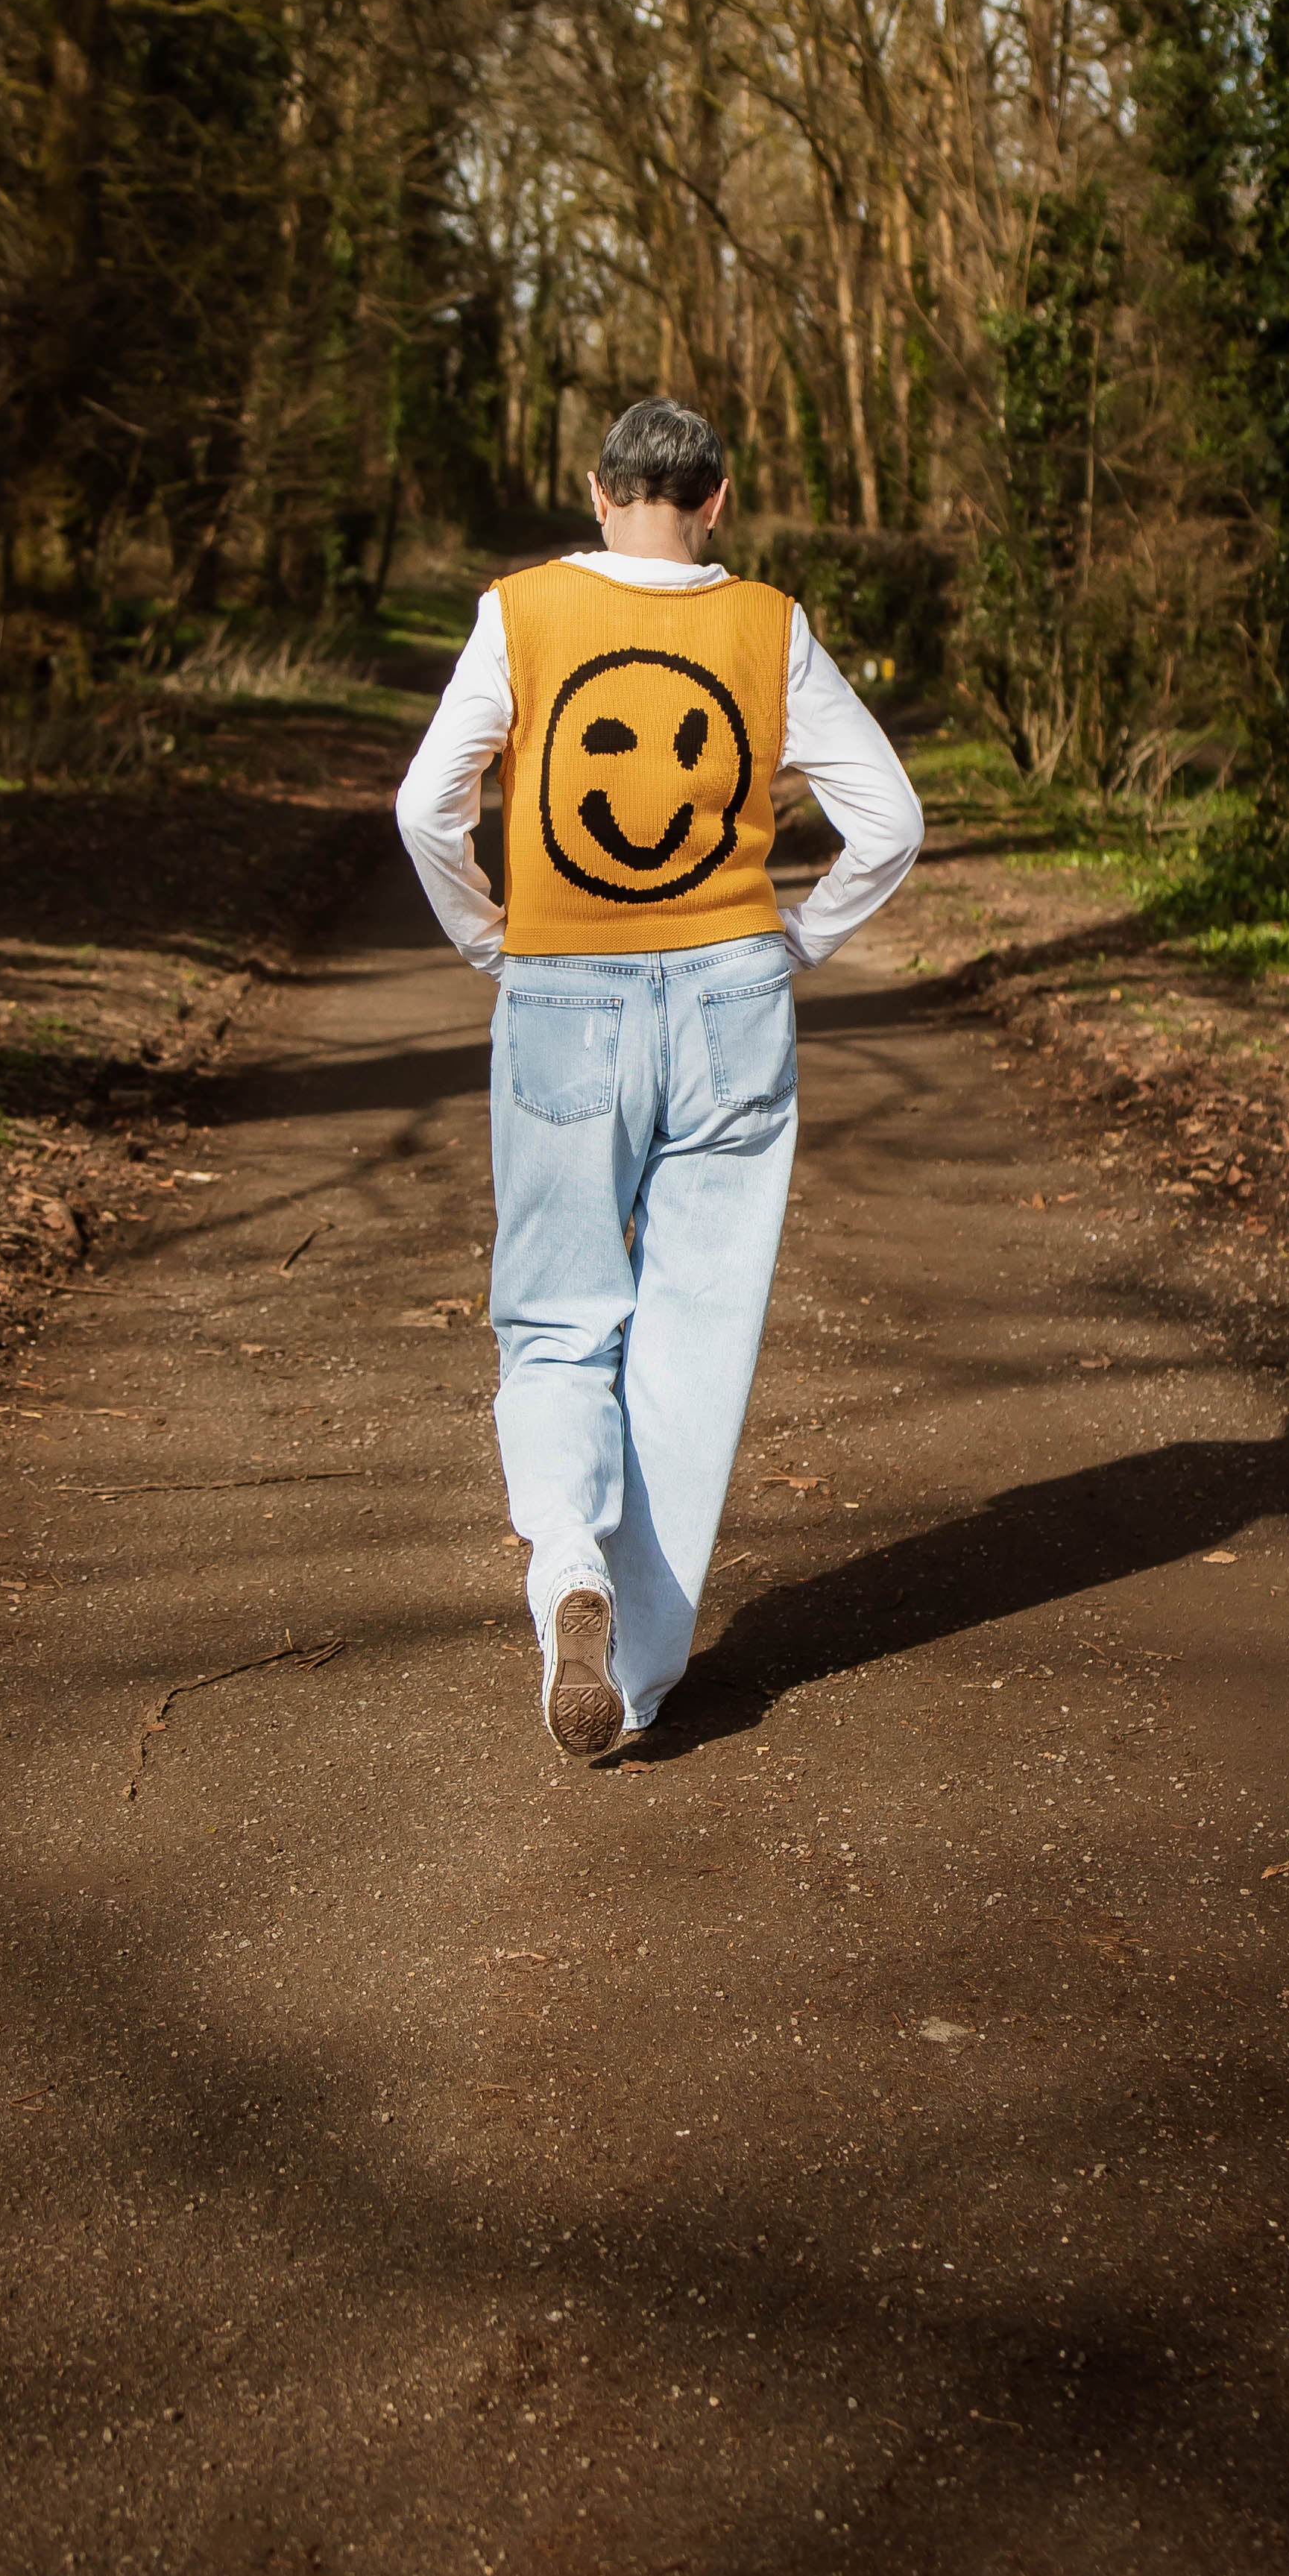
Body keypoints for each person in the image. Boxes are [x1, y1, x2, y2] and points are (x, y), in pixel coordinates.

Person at [394, 397, 924, 1758]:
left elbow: (425, 804)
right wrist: (800, 935)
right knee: (697, 1334)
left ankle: (565, 1554)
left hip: (562, 989)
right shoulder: (766, 623)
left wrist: (486, 938)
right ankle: (632, 1680)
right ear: (718, 500)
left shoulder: (520, 613)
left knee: (559, 1313)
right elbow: (890, 820)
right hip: (732, 995)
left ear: (596, 489)